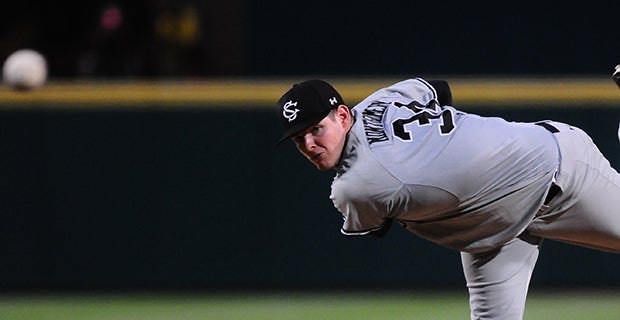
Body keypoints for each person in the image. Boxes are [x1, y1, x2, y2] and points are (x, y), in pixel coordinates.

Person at [275, 78, 620, 320]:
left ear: (343, 116)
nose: (309, 145)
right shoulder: (382, 100)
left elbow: (374, 227)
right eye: (298, 139)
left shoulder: (355, 187)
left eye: (316, 129)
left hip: (556, 173)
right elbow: (438, 88)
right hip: (493, 233)